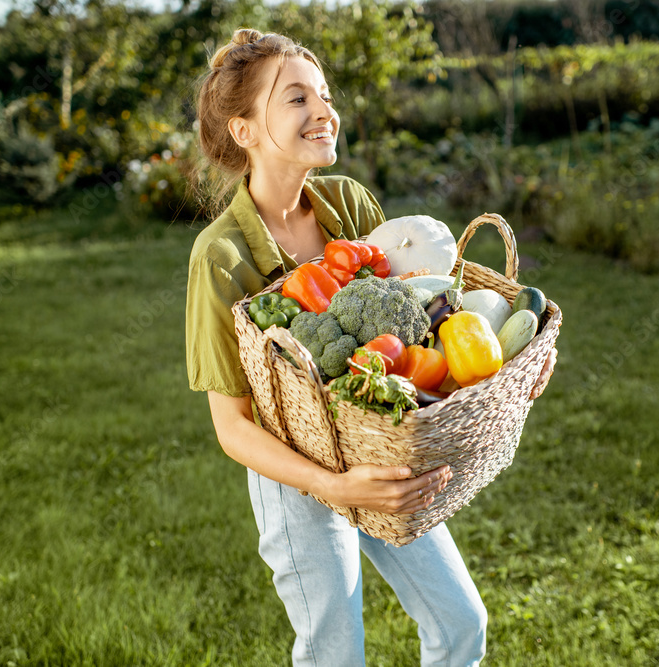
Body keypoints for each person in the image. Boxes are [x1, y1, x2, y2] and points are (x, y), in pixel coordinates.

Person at [185, 28, 556, 666]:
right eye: (296, 98)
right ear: (243, 129)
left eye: (324, 95)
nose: (324, 111)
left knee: (461, 620)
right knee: (335, 652)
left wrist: (509, 368)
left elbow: (421, 322)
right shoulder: (220, 256)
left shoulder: (349, 203)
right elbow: (232, 427)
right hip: (294, 472)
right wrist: (339, 486)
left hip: (381, 449)